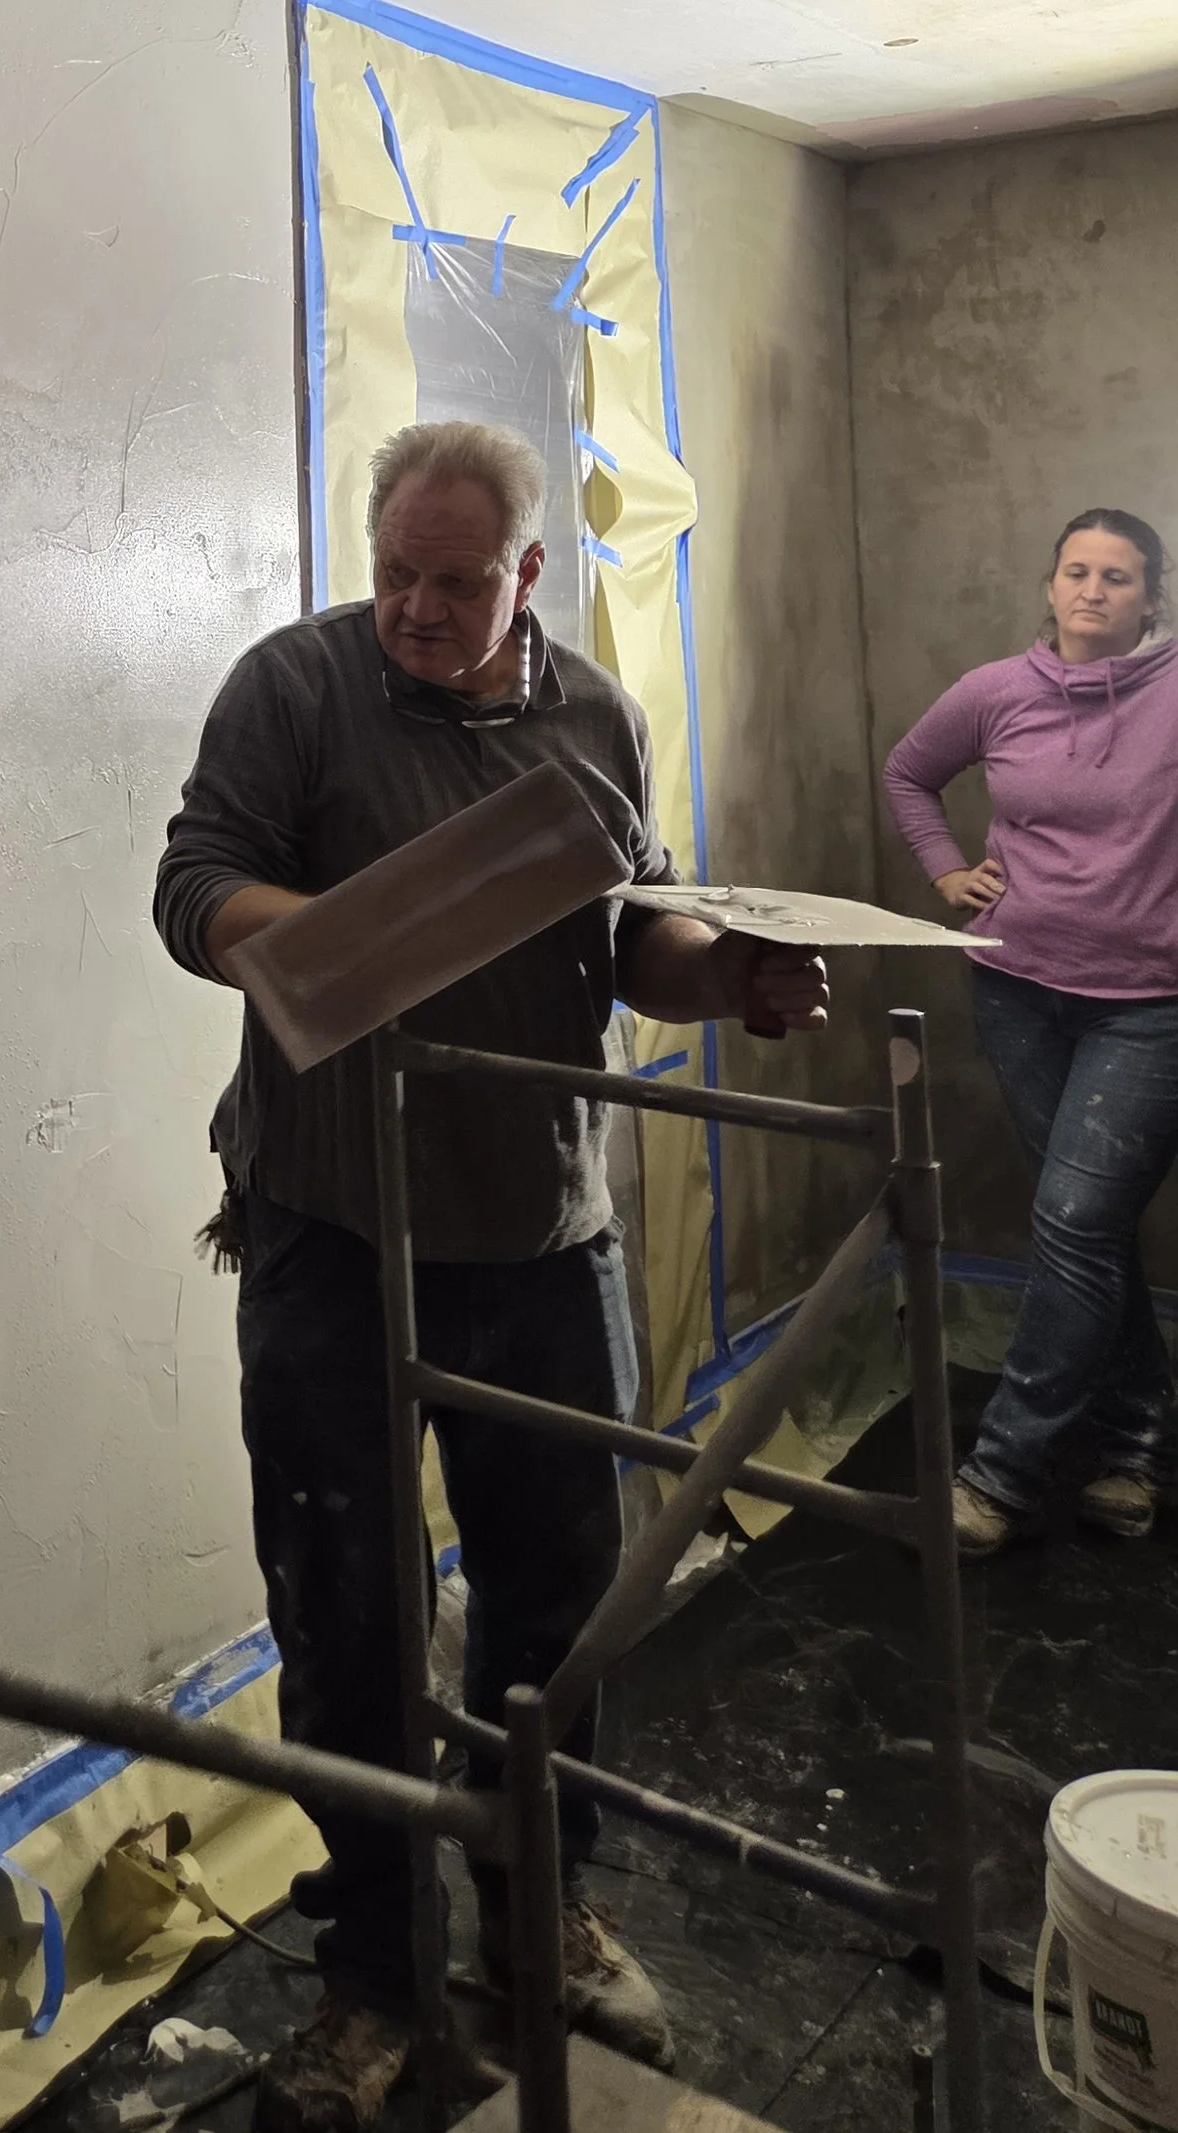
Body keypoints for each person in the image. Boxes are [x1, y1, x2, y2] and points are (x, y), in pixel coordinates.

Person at [155, 418, 827, 2133]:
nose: (419, 610)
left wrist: (724, 972)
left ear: (530, 572)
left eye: (459, 582)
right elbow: (194, 880)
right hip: (328, 1222)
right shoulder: (294, 688)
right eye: (395, 573)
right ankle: (377, 1969)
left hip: (536, 1226)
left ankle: (540, 1906)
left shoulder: (593, 716)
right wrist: (316, 943)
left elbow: (633, 937)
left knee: (565, 1595)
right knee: (348, 1603)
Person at [883, 506, 1178, 1558]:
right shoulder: (996, 692)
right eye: (1076, 572)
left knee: (1071, 1223)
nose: (1093, 590)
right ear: (1048, 586)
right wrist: (946, 872)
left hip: (1152, 1008)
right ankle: (1133, 1442)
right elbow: (907, 774)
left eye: (1118, 576)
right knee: (1083, 1232)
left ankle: (999, 1475)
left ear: (1150, 597)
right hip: (1014, 988)